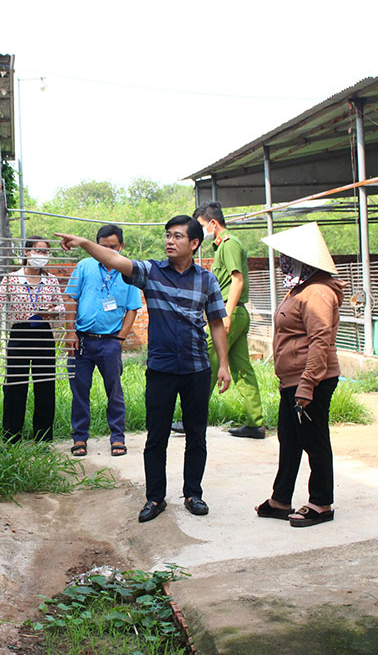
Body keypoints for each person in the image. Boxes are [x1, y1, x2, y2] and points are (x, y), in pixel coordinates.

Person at [56, 216, 232, 523]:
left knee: (196, 435)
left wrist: (224, 366)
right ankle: (155, 497)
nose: (169, 241)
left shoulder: (207, 280)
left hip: (196, 369)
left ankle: (193, 493)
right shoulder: (151, 272)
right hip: (161, 369)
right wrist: (85, 243)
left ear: (193, 243)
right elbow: (114, 258)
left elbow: (216, 323)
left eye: (177, 236)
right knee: (156, 437)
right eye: (167, 235)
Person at [252, 222, 344, 527]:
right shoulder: (301, 288)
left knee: (314, 441)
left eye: (288, 257)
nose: (282, 263)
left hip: (311, 380)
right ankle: (280, 499)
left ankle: (321, 503)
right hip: (294, 380)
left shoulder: (317, 292)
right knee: (289, 440)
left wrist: (307, 385)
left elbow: (320, 341)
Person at [178, 201, 265, 438]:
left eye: (201, 226)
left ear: (213, 223)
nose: (199, 231)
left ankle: (192, 419)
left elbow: (237, 281)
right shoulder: (224, 246)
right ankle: (255, 422)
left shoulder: (228, 245)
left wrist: (225, 315)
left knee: (206, 363)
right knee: (241, 368)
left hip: (230, 313)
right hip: (235, 313)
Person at [0, 236, 65, 443]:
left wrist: (51, 311)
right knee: (15, 386)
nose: (42, 256)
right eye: (39, 251)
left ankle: (43, 438)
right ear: (27, 253)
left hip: (43, 335)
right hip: (20, 335)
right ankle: (11, 438)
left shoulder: (51, 281)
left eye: (46, 252)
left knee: (45, 387)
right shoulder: (12, 279)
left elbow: (61, 307)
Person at [63, 224, 142, 458]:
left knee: (114, 391)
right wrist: (70, 331)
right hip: (82, 341)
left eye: (114, 247)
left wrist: (120, 338)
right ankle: (79, 437)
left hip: (110, 343)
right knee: (79, 391)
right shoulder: (84, 267)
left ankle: (117, 437)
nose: (109, 251)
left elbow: (132, 309)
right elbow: (70, 299)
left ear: (122, 246)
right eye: (103, 247)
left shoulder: (129, 271)